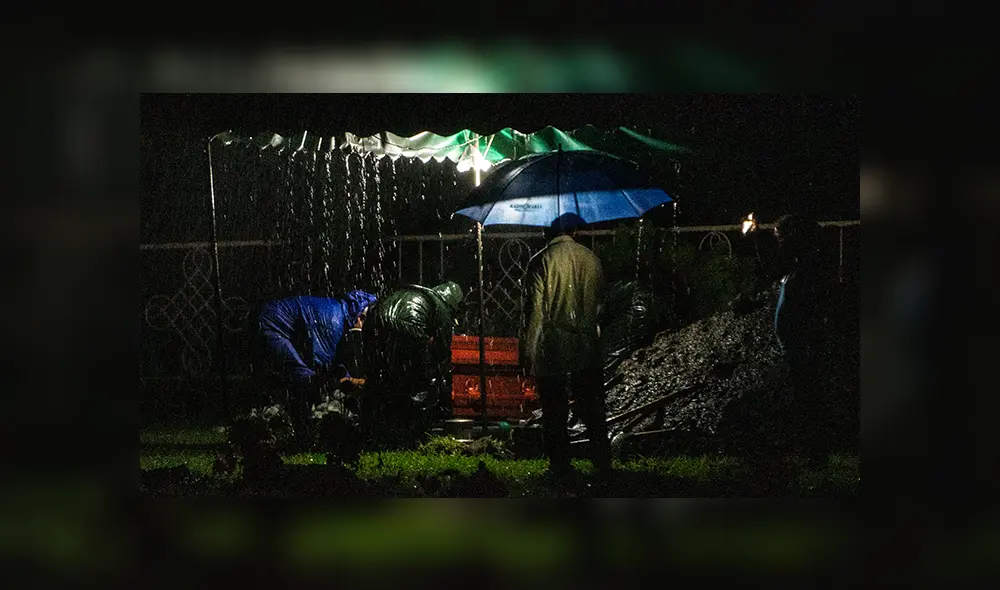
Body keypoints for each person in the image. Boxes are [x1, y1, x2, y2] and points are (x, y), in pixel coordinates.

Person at [522, 213, 611, 478]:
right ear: (575, 231)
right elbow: (600, 305)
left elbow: (535, 312)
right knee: (593, 406)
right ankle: (602, 460)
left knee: (554, 408)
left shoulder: (541, 261)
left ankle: (560, 464)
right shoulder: (592, 259)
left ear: (547, 232)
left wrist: (528, 350)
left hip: (554, 346)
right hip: (587, 344)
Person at [253, 290, 378, 445]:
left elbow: (331, 359)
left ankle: (294, 430)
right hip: (270, 325)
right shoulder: (334, 321)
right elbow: (320, 361)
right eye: (365, 322)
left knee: (301, 377)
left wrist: (344, 376)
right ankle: (301, 435)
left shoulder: (337, 312)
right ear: (360, 316)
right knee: (304, 378)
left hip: (273, 321)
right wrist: (341, 381)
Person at [362, 281, 464, 447]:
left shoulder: (416, 294)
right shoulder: (442, 308)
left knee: (384, 375)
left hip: (375, 319)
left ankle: (374, 430)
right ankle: (414, 433)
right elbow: (442, 350)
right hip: (409, 325)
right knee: (422, 382)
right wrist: (436, 375)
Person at [772, 213, 837, 465]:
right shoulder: (799, 267)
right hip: (795, 345)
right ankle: (810, 449)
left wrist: (810, 341)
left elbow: (812, 310)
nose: (780, 244)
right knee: (802, 394)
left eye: (782, 238)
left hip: (803, 345)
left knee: (807, 395)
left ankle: (814, 452)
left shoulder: (809, 271)